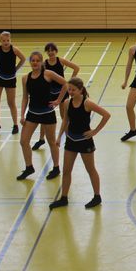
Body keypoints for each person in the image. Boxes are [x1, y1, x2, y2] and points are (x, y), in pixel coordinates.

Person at [49, 77, 110, 209]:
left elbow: (106, 115)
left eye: (73, 90)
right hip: (71, 140)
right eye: (69, 89)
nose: (70, 92)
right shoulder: (67, 103)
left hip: (84, 141)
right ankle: (64, 198)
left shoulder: (87, 103)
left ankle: (97, 197)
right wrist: (59, 137)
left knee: (91, 170)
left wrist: (94, 131)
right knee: (66, 171)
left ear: (81, 90)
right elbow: (65, 121)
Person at [16, 52, 67, 181]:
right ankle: (29, 167)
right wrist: (22, 115)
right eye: (32, 60)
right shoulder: (25, 78)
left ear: (41, 62)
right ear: (30, 62)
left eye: (37, 60)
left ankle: (56, 168)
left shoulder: (48, 74)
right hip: (32, 114)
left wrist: (58, 101)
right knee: (23, 141)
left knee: (51, 142)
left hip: (47, 114)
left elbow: (65, 84)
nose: (35, 62)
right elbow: (25, 98)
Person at [33, 42, 80, 151]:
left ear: (56, 51)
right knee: (44, 116)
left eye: (52, 50)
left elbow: (76, 68)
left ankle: (69, 138)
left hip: (62, 92)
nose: (50, 52)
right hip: (49, 93)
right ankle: (41, 139)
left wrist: (70, 83)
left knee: (64, 117)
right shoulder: (44, 64)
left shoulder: (61, 61)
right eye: (48, 51)